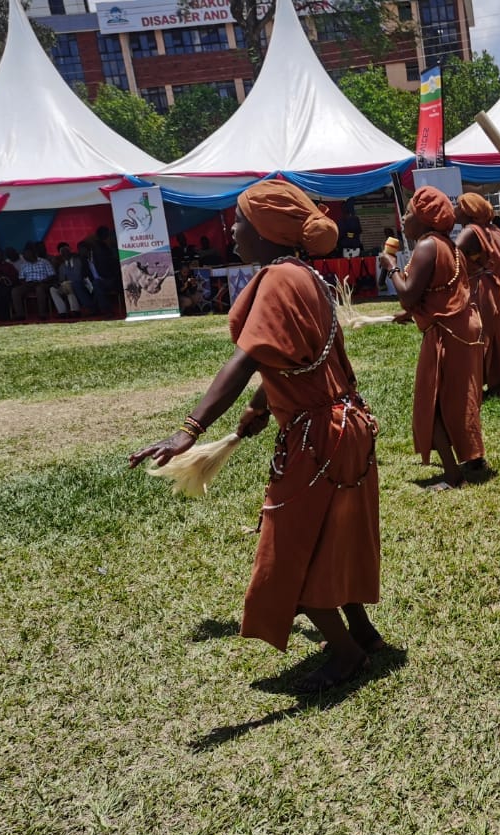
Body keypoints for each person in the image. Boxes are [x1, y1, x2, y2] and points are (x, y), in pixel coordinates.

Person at [129, 181, 384, 694]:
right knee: (332, 535)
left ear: (267, 230)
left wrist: (188, 431)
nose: (232, 228)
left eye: (240, 219)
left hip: (318, 440)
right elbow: (296, 357)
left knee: (290, 552)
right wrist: (260, 407)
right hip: (345, 425)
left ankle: (347, 653)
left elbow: (247, 358)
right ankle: (362, 632)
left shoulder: (276, 279)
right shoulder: (306, 275)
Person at [380, 185, 486, 491]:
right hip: (459, 327)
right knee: (460, 398)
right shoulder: (446, 245)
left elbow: (408, 293)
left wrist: (391, 267)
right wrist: (414, 313)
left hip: (447, 332)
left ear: (424, 218)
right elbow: (441, 292)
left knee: (433, 402)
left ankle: (454, 476)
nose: (404, 219)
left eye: (410, 212)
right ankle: (473, 458)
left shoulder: (427, 246)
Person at [455, 192, 500, 399]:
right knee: (495, 335)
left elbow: (451, 255)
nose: (455, 211)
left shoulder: (471, 231)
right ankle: (496, 385)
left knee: (479, 336)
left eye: (459, 207)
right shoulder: (495, 230)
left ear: (469, 211)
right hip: (493, 287)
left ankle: (482, 385)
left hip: (478, 288)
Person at [12, 245, 59, 320]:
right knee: (15, 291)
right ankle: (20, 314)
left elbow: (52, 275)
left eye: (27, 254)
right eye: (24, 255)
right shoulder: (24, 265)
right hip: (29, 284)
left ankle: (42, 314)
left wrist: (42, 281)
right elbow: (21, 278)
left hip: (42, 283)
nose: (25, 256)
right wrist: (26, 284)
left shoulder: (44, 262)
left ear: (33, 254)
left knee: (39, 289)